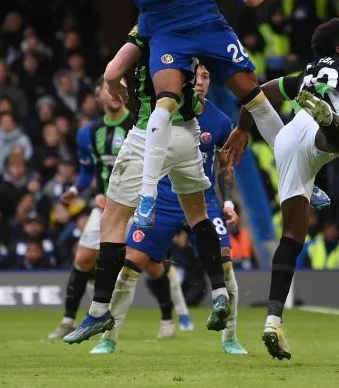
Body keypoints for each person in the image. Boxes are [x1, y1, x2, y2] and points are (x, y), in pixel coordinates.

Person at [222, 18, 339, 360]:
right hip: (318, 135)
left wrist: (242, 128)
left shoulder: (308, 72)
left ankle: (273, 321)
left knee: (292, 236)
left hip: (285, 140)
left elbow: (261, 93)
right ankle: (329, 120)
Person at [118, 0, 281, 232]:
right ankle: (147, 197)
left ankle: (298, 173)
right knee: (167, 101)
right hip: (166, 31)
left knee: (252, 92)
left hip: (206, 21)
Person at [63, 28, 229, 344]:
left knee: (113, 219)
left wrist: (113, 85)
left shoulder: (147, 26)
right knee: (198, 216)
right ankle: (220, 291)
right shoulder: (194, 26)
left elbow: (113, 71)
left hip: (149, 133)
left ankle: (99, 311)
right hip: (187, 134)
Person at [91, 64, 248, 355]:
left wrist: (227, 202)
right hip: (162, 202)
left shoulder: (221, 121)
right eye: (195, 77)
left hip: (201, 201)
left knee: (225, 261)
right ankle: (108, 338)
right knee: (131, 263)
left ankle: (230, 338)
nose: (199, 82)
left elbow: (225, 166)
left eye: (205, 76)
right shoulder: (158, 114)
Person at [48, 80, 134, 340]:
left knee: (148, 265)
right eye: (110, 89)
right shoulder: (88, 133)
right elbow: (89, 171)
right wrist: (76, 191)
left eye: (122, 88)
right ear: (98, 96)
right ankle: (68, 320)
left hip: (137, 203)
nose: (116, 94)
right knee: (83, 259)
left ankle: (170, 317)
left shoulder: (138, 127)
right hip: (106, 204)